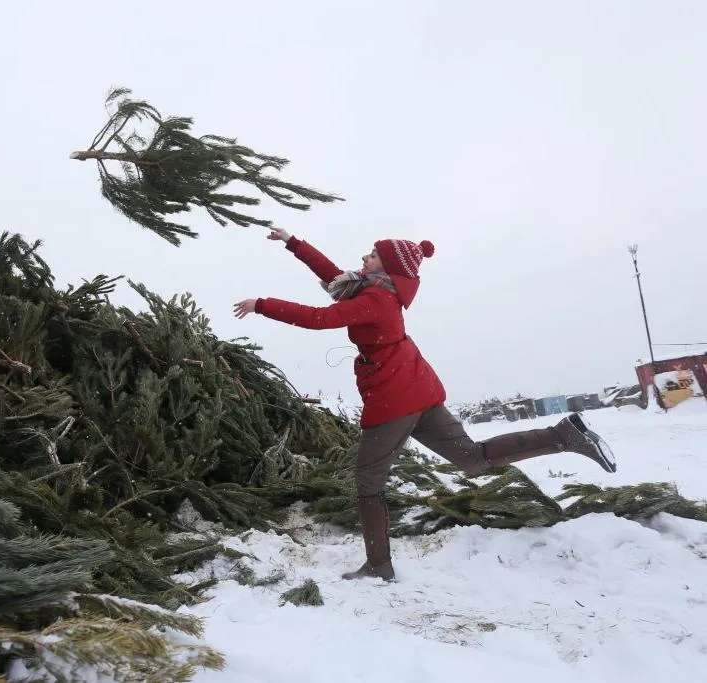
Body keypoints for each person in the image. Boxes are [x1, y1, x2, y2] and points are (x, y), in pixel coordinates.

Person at [233, 228, 616, 583]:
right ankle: (564, 435)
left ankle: (378, 565)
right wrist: (293, 242)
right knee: (472, 458)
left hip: (394, 394)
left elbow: (319, 319)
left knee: (368, 477)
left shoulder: (375, 299)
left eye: (372, 255)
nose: (363, 258)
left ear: (387, 267)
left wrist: (261, 304)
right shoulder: (370, 289)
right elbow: (333, 274)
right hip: (416, 387)